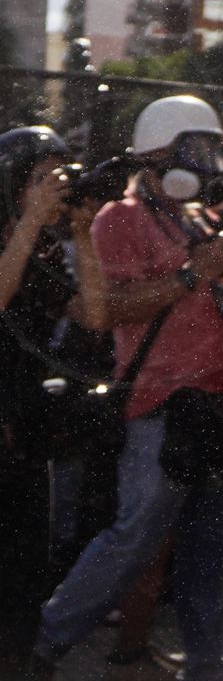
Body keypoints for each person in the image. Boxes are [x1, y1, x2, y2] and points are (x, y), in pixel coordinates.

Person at [29, 96, 223, 681]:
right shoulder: (119, 219)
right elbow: (112, 310)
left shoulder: (199, 219)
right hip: (162, 405)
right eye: (197, 148)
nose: (209, 161)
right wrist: (192, 273)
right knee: (134, 537)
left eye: (213, 148)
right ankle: (46, 641)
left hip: (214, 403)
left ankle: (205, 663)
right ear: (160, 155)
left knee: (208, 547)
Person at [0, 127, 107, 661]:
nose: (56, 189)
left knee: (23, 569)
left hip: (22, 426)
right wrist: (28, 222)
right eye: (42, 179)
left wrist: (84, 235)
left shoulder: (43, 248)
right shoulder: (17, 240)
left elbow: (95, 315)